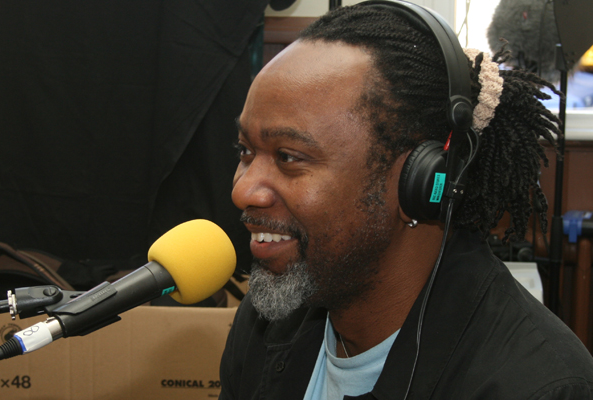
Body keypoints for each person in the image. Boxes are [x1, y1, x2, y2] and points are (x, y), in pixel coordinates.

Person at [219, 1, 593, 399]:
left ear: (419, 180)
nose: (242, 191)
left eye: (288, 157)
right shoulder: (266, 319)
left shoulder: (535, 387)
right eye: (245, 151)